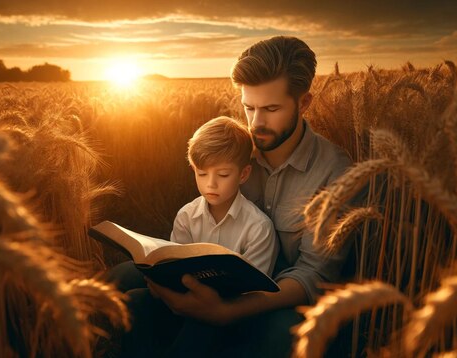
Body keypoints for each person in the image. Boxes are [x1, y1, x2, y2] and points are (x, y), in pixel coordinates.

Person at [113, 36, 354, 358]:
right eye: (249, 107)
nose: (256, 123)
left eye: (271, 109)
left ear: (304, 102)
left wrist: (229, 310)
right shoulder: (237, 152)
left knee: (284, 331)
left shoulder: (334, 170)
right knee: (125, 277)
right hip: (214, 282)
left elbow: (313, 273)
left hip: (281, 299)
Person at [171, 116, 278, 276]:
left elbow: (253, 287)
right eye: (202, 173)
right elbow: (174, 269)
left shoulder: (259, 228)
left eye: (223, 174)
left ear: (243, 174)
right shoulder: (186, 217)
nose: (211, 184)